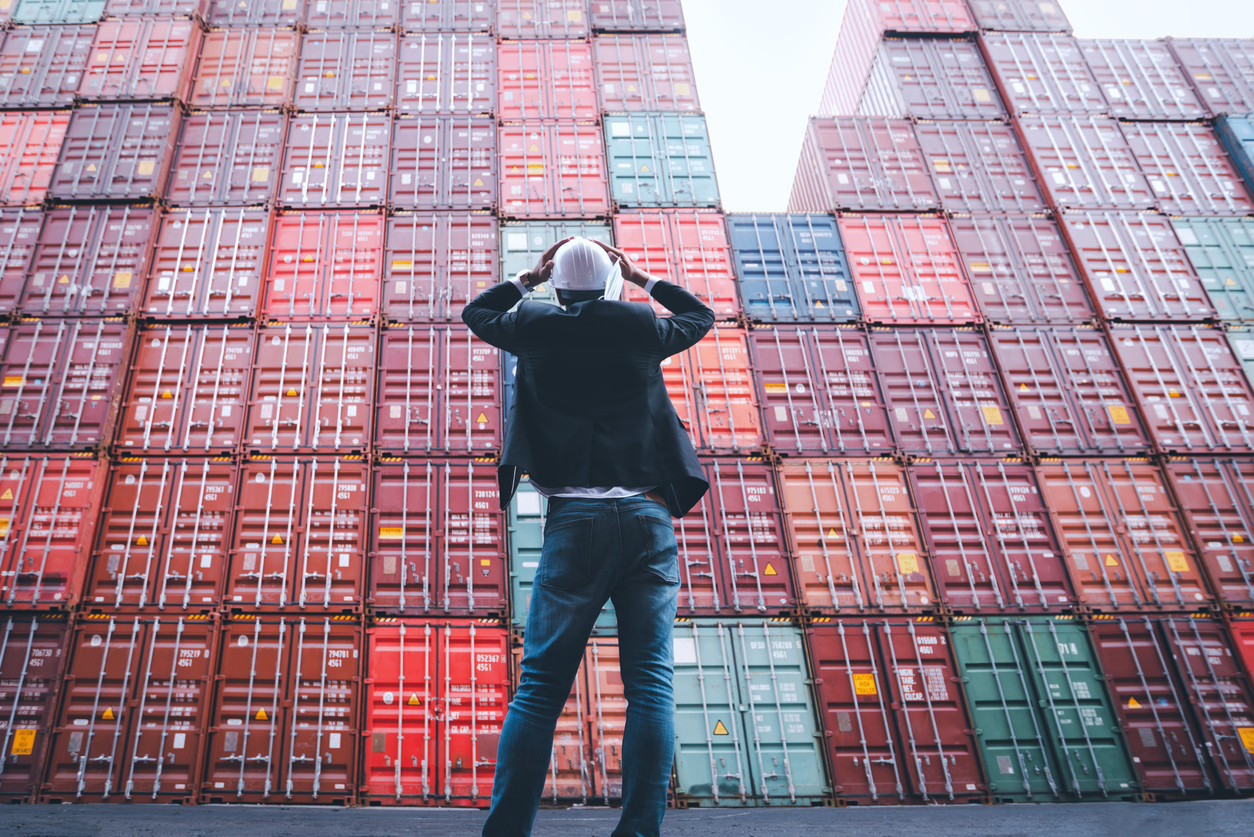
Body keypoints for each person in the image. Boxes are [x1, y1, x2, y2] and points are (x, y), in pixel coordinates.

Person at [462, 236, 715, 837]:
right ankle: (638, 830)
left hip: (573, 522)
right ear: (612, 282)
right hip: (649, 521)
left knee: (540, 689)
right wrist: (644, 278)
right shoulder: (640, 327)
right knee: (650, 682)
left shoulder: (532, 327)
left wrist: (527, 279)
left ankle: (507, 831)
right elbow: (701, 315)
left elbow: (477, 314)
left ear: (556, 285)